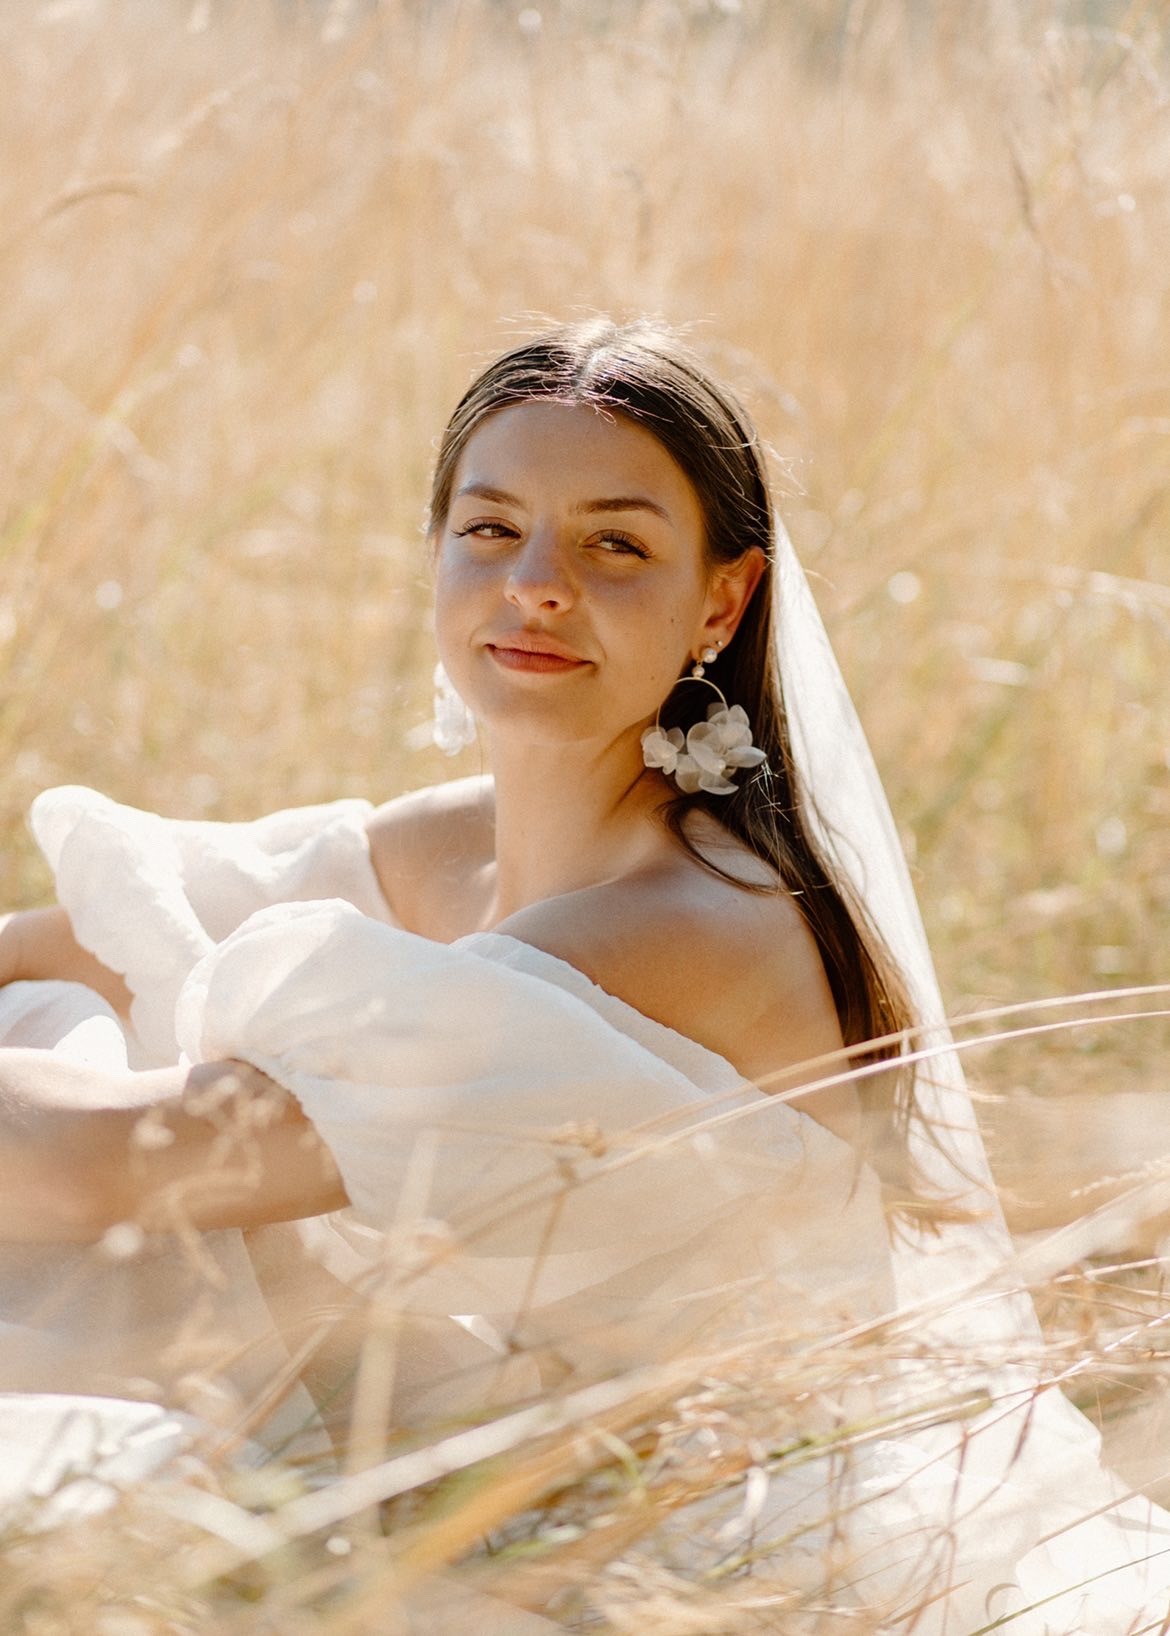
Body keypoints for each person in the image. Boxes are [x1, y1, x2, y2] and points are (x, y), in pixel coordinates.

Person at [0, 320, 1167, 1632]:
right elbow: (98, 933)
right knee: (54, 1013)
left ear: (720, 602)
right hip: (491, 1458)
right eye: (491, 529)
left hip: (691, 1537)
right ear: (437, 557)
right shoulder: (451, 847)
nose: (537, 583)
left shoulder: (693, 922)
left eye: (614, 545)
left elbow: (112, 1167)